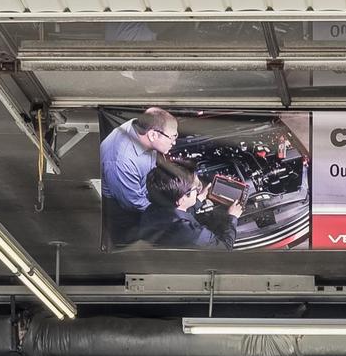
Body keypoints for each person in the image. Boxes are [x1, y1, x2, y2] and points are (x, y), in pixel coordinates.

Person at [99, 107, 180, 245]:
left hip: (141, 187)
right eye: (172, 137)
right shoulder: (122, 161)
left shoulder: (141, 127)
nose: (174, 142)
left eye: (176, 135)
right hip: (122, 206)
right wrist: (166, 214)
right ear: (153, 135)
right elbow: (132, 203)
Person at [132, 161, 243, 250]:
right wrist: (232, 217)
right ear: (181, 199)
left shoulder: (152, 209)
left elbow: (177, 214)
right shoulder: (191, 233)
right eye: (195, 189)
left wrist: (199, 199)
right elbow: (224, 248)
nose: (198, 190)